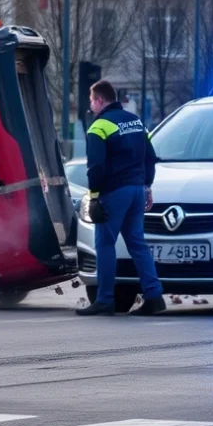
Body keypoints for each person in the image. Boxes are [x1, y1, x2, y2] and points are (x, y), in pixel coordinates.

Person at [76, 80, 165, 316]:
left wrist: (94, 197)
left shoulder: (99, 126)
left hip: (114, 192)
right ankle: (154, 296)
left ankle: (105, 299)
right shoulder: (136, 122)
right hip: (137, 190)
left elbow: (95, 167)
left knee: (105, 244)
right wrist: (146, 186)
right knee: (137, 244)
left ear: (99, 100)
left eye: (91, 101)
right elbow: (150, 157)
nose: (90, 106)